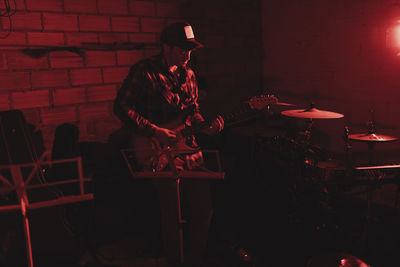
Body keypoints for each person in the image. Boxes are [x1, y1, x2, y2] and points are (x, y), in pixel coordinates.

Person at [113, 22, 224, 266]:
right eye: (182, 49)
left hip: (188, 149)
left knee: (203, 207)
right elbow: (121, 106)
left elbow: (192, 112)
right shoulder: (144, 71)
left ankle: (195, 259)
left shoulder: (190, 75)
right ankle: (174, 260)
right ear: (166, 47)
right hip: (156, 149)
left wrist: (206, 126)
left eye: (190, 49)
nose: (188, 54)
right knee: (172, 212)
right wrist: (154, 130)